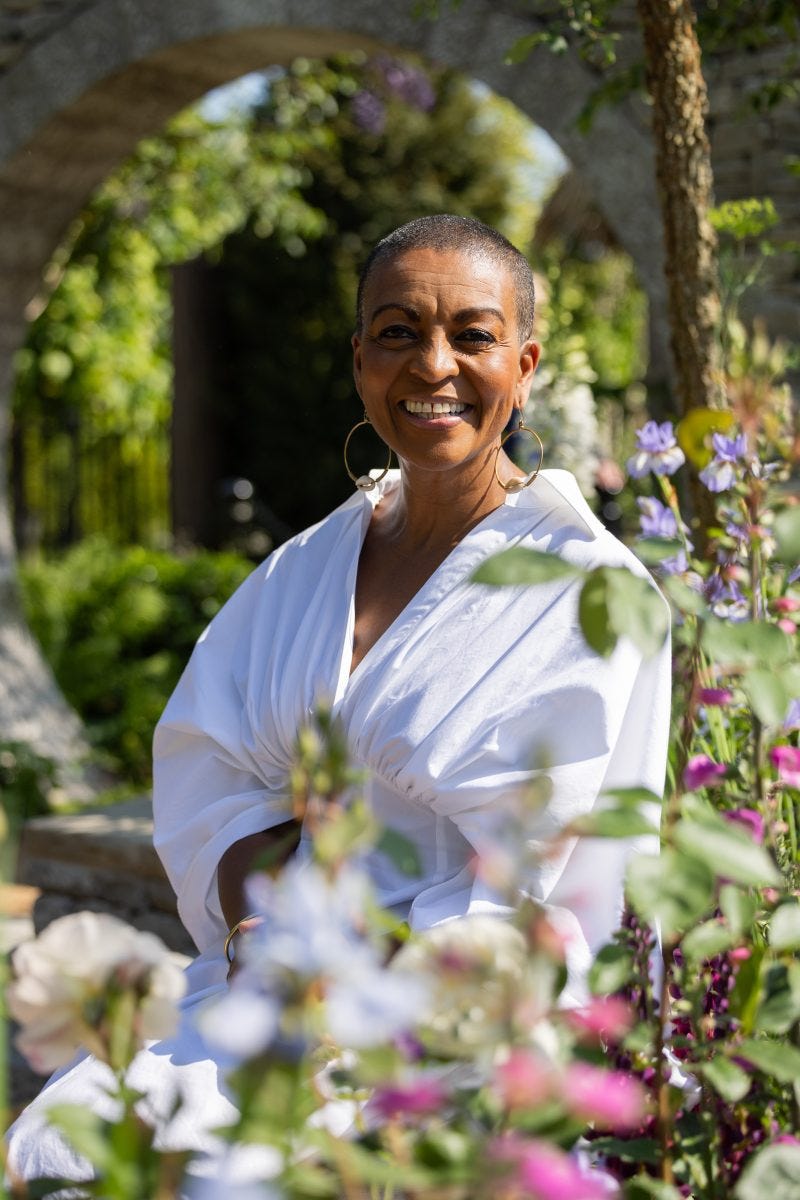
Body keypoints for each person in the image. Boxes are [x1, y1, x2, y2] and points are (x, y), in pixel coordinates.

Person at [6, 215, 671, 1188]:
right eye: (397, 332)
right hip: (262, 981)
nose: (432, 364)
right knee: (63, 1147)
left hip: (448, 1022)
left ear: (523, 364)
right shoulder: (304, 569)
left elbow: (555, 891)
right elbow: (216, 776)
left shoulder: (585, 592)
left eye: (472, 335)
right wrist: (251, 926)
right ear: (359, 358)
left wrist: (356, 998)